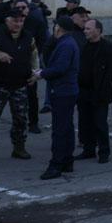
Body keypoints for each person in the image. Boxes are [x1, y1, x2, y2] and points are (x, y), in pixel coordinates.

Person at [0, 8, 37, 163]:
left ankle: (19, 147)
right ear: (7, 20)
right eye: (15, 20)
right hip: (0, 84)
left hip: (20, 84)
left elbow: (34, 56)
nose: (18, 24)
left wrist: (35, 73)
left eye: (21, 21)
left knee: (21, 119)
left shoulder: (28, 36)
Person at [35, 17, 80, 180]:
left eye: (55, 26)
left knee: (60, 130)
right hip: (66, 90)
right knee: (66, 127)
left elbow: (60, 68)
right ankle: (67, 160)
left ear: (58, 28)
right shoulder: (66, 42)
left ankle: (56, 164)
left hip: (63, 91)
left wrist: (41, 74)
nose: (53, 28)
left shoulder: (66, 44)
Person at [76, 18, 112, 164]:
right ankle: (88, 149)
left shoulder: (107, 48)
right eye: (85, 28)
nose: (85, 31)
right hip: (83, 91)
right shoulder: (84, 46)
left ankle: (104, 152)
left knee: (100, 123)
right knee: (85, 122)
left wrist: (102, 85)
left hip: (100, 93)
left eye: (88, 29)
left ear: (98, 31)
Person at [19, 0, 48, 135]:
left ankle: (33, 123)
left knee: (31, 95)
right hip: (12, 64)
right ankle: (18, 122)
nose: (20, 11)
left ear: (28, 9)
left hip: (30, 63)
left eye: (23, 8)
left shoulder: (36, 22)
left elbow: (43, 41)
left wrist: (36, 58)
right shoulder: (8, 21)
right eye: (17, 8)